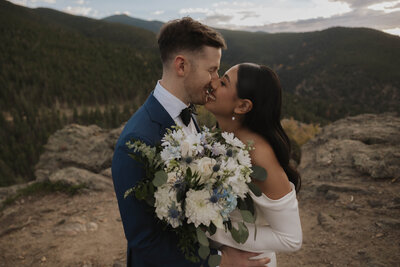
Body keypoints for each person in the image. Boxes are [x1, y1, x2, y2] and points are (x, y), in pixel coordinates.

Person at [112, 17, 270, 267]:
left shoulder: (189, 113)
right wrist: (221, 262)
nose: (216, 80)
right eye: (211, 70)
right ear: (182, 66)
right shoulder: (135, 142)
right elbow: (145, 242)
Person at [205, 63, 303, 267]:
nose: (213, 83)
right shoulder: (220, 134)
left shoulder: (258, 156)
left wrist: (207, 227)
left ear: (243, 106)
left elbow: (291, 239)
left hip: (248, 261)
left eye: (223, 83)